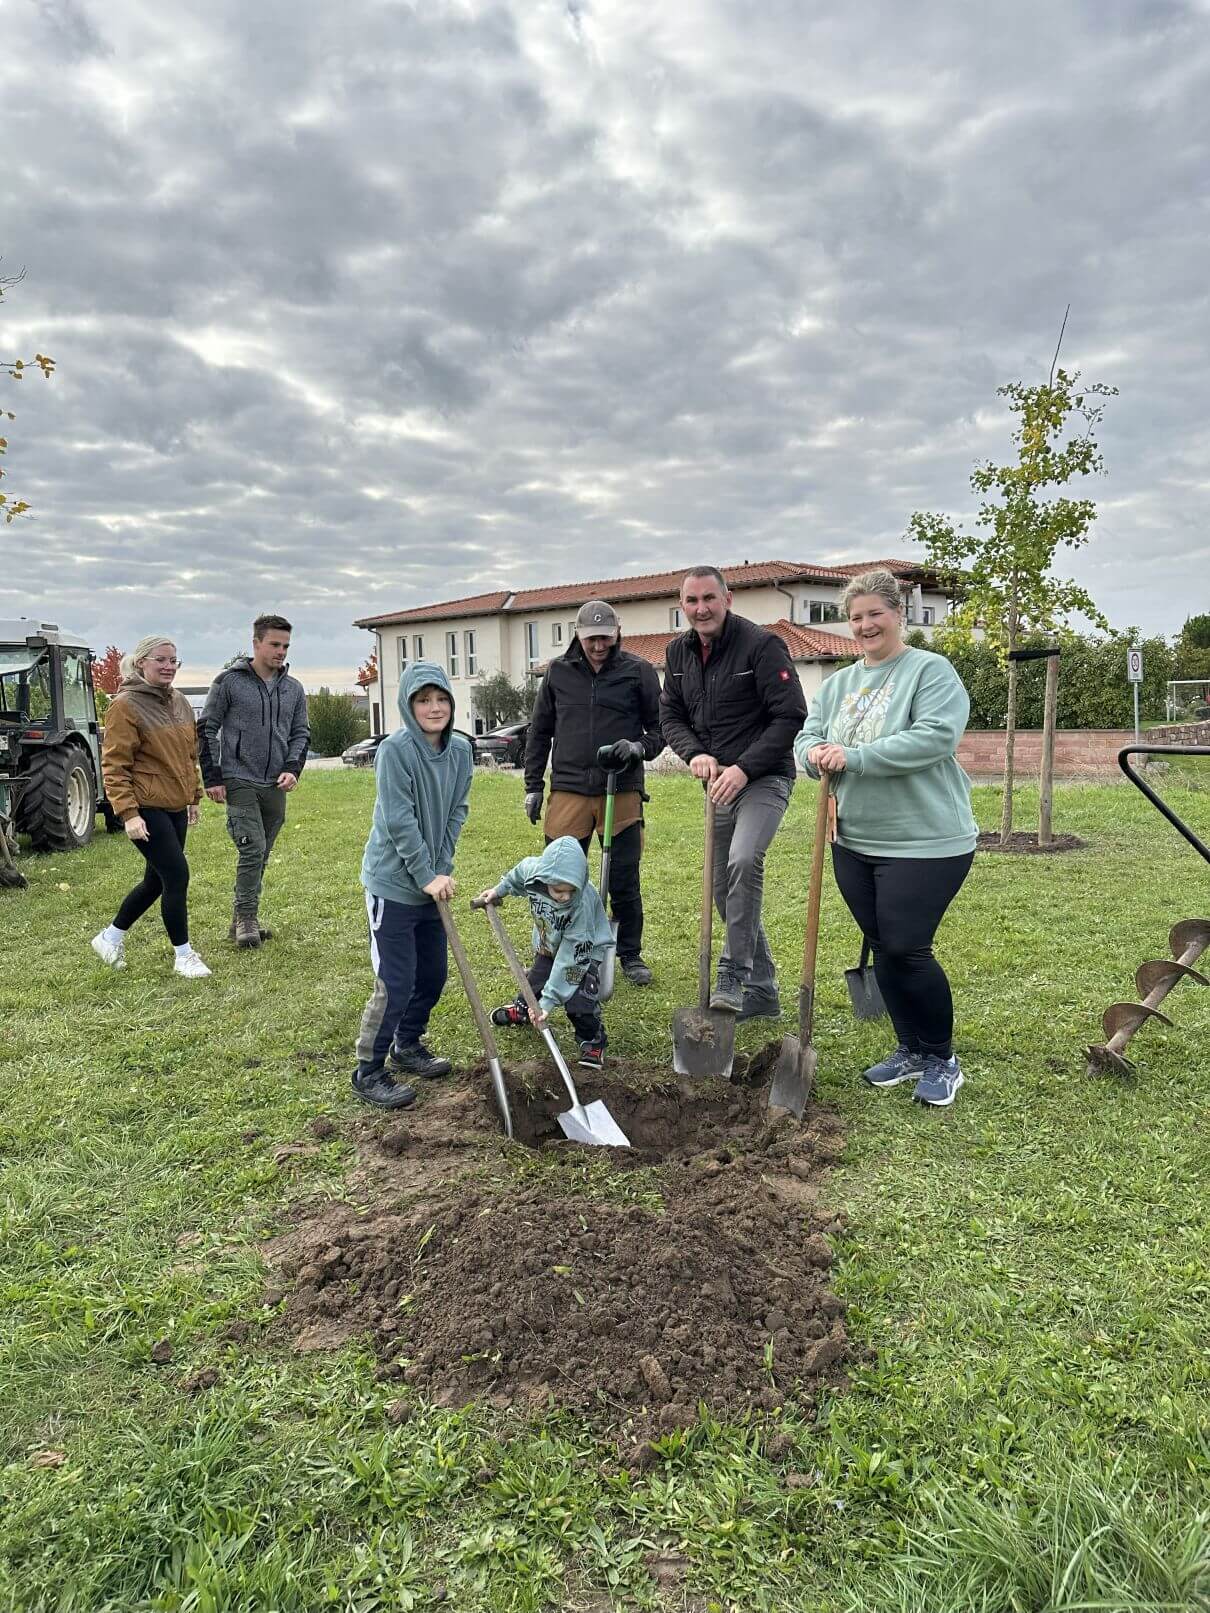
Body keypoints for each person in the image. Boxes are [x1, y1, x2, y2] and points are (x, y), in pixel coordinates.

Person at [795, 568, 977, 1108]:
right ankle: (909, 1049)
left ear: (898, 615)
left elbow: (935, 738)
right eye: (856, 617)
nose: (866, 625)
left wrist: (855, 757)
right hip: (853, 839)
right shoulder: (838, 684)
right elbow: (809, 733)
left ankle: (941, 1057)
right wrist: (812, 753)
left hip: (926, 840)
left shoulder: (930, 671)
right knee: (881, 948)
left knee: (906, 946)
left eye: (876, 613)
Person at [659, 566, 807, 1019]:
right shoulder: (677, 653)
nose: (701, 608)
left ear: (728, 598)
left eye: (709, 598)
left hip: (763, 778)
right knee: (723, 889)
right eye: (691, 601)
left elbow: (790, 715)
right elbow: (671, 718)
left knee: (744, 860)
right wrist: (694, 754)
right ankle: (764, 993)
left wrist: (744, 768)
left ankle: (734, 972)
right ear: (682, 605)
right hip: (717, 782)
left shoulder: (761, 646)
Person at [522, 599, 664, 986]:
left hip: (621, 788)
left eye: (605, 637)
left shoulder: (638, 672)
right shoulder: (557, 673)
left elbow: (660, 729)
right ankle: (552, 950)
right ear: (578, 636)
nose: (598, 645)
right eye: (591, 639)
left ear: (617, 632)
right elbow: (540, 731)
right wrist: (533, 785)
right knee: (560, 880)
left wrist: (638, 748)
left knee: (623, 877)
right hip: (569, 787)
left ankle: (629, 953)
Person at [352, 661, 474, 1109]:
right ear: (408, 704)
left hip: (430, 882)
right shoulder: (396, 751)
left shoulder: (460, 751)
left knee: (433, 975)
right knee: (396, 981)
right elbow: (398, 819)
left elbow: (457, 810)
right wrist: (424, 875)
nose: (434, 707)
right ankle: (368, 1070)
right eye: (424, 700)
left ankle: (409, 1044)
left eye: (441, 698)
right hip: (392, 883)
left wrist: (439, 868)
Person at [90, 635, 211, 979]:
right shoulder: (125, 705)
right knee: (176, 875)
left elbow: (189, 757)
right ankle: (183, 955)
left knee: (156, 881)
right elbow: (114, 765)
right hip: (145, 807)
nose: (169, 667)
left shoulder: (180, 703)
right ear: (141, 662)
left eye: (174, 661)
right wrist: (128, 814)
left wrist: (193, 797)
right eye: (161, 660)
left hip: (174, 804)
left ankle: (109, 937)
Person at [198, 613, 310, 949]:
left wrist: (293, 768)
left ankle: (240, 920)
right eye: (275, 644)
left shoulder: (294, 689)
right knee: (253, 848)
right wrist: (213, 776)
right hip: (237, 777)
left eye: (286, 645)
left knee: (261, 852)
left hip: (275, 783)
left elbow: (301, 732)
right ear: (256, 643)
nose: (281, 651)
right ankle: (247, 918)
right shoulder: (229, 682)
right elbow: (206, 728)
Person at [477, 836, 614, 1071]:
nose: (565, 896)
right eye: (559, 890)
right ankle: (524, 1010)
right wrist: (499, 891)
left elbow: (571, 960)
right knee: (534, 983)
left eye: (571, 890)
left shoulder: (580, 904)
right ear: (544, 878)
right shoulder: (534, 871)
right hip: (549, 944)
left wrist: (549, 1001)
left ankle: (592, 1039)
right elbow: (518, 874)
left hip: (583, 952)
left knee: (579, 1002)